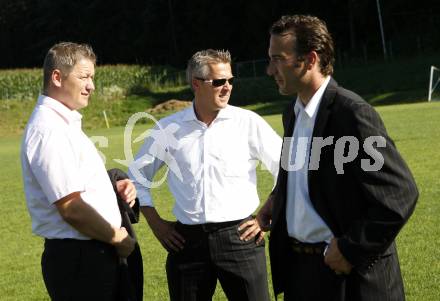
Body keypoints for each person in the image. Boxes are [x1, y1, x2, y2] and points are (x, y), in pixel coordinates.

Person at [256, 15, 419, 301]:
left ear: (310, 59)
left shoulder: (351, 113)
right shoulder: (292, 114)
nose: (271, 69)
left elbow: (399, 194)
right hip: (301, 274)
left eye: (278, 59)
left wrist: (350, 249)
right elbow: (306, 174)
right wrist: (279, 199)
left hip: (348, 277)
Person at [128, 49, 282, 301]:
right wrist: (157, 225)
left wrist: (267, 213)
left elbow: (286, 168)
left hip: (240, 238)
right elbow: (136, 177)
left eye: (230, 80)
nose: (227, 87)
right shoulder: (169, 128)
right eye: (219, 82)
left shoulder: (248, 122)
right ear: (196, 84)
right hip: (186, 243)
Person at [21, 42, 136, 300]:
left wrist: (112, 188)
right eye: (84, 77)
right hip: (81, 260)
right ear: (57, 77)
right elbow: (71, 207)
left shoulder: (64, 123)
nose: (91, 86)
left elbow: (76, 184)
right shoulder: (49, 130)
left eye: (92, 77)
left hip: (91, 253)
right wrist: (118, 238)